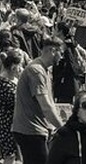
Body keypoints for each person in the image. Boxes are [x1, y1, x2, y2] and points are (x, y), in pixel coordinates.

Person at [11, 35, 65, 163]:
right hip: (30, 130)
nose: (61, 57)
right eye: (60, 53)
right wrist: (63, 128)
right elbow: (46, 106)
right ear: (52, 51)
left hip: (35, 129)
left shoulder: (44, 70)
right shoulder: (36, 71)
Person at [0, 49, 23, 164]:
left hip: (10, 123)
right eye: (19, 66)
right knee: (9, 155)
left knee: (13, 155)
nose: (20, 69)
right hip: (5, 124)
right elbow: (17, 102)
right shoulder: (4, 84)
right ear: (14, 67)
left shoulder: (12, 80)